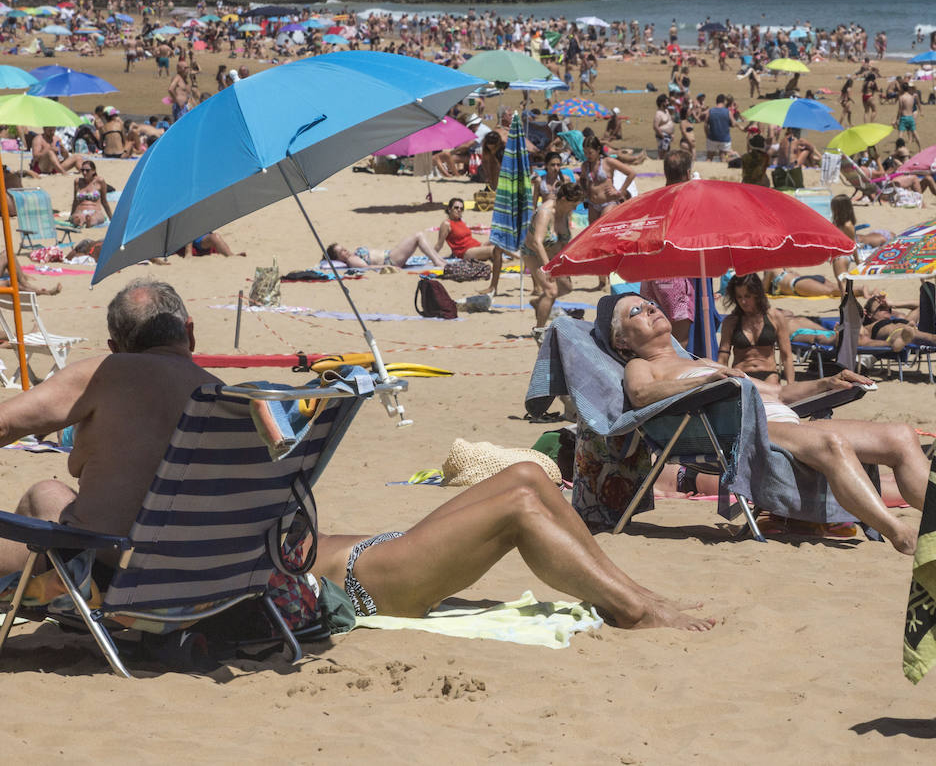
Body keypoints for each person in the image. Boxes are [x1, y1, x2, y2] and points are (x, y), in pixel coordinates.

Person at [0, 279, 713, 632]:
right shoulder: (226, 400)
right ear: (188, 330)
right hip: (289, 577)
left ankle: (641, 604)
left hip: (228, 581)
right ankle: (640, 606)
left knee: (529, 481)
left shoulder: (103, 375)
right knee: (526, 483)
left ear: (118, 343)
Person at [610, 293, 930, 554]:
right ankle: (899, 532)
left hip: (784, 421)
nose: (650, 308)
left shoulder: (701, 362)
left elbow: (778, 392)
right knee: (832, 444)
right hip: (747, 431)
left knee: (900, 436)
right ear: (622, 340)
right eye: (636, 311)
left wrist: (827, 383)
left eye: (649, 304)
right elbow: (640, 394)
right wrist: (704, 383)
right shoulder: (641, 365)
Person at [638, 150, 695, 344]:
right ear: (688, 173)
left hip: (650, 273)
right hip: (675, 275)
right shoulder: (687, 201)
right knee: (679, 340)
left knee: (652, 334)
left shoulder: (656, 199)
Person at [523, 182, 580, 339]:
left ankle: (538, 303)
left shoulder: (565, 212)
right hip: (534, 253)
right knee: (551, 291)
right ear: (562, 199)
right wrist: (548, 268)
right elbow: (537, 242)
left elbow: (564, 241)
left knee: (567, 287)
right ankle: (539, 331)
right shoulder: (545, 212)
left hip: (553, 255)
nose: (575, 209)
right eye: (573, 204)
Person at [716, 273, 794, 384]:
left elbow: (786, 356)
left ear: (757, 294)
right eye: (739, 297)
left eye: (747, 296)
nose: (743, 301)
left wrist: (791, 385)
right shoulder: (731, 322)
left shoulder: (775, 317)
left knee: (772, 387)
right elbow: (723, 357)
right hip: (741, 374)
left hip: (769, 374)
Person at [436, 197, 502, 297]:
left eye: (461, 209)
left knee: (497, 239)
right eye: (456, 208)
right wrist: (431, 256)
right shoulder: (446, 224)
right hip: (466, 252)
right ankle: (518, 257)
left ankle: (516, 257)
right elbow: (439, 244)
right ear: (449, 209)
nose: (459, 210)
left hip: (476, 246)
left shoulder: (461, 221)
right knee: (495, 249)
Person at [325, 230, 448, 270]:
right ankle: (438, 261)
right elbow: (367, 268)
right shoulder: (351, 260)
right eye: (341, 251)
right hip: (391, 260)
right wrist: (388, 268)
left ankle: (439, 260)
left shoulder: (352, 256)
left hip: (391, 255)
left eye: (343, 248)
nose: (345, 250)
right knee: (418, 236)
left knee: (418, 236)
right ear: (338, 258)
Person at [860, 291, 936, 352]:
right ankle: (900, 340)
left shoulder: (902, 320)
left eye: (887, 307)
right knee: (930, 337)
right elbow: (863, 340)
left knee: (909, 329)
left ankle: (902, 340)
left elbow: (920, 305)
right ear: (869, 314)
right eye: (881, 308)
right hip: (894, 334)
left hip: (908, 331)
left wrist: (893, 304)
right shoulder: (869, 327)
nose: (886, 309)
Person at [68, 160, 113, 227]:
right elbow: (75, 201)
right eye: (82, 170)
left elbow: (104, 201)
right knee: (77, 217)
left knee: (95, 218)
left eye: (87, 170)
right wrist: (71, 215)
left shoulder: (100, 181)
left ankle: (89, 221)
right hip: (80, 210)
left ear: (93, 171)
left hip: (95, 211)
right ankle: (79, 221)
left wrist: (111, 218)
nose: (84, 172)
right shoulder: (77, 181)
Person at [762, 268, 844, 298]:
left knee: (831, 291)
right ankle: (856, 290)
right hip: (805, 279)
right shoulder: (785, 268)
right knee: (838, 287)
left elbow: (763, 290)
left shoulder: (770, 270)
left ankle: (856, 291)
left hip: (796, 284)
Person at [704, 94, 735, 162]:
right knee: (724, 157)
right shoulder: (728, 112)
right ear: (724, 102)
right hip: (725, 139)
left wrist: (707, 134)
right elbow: (733, 124)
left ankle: (705, 171)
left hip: (712, 138)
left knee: (709, 157)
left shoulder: (710, 111)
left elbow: (705, 125)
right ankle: (722, 172)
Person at [653, 94, 675, 161]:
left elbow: (670, 122)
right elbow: (655, 126)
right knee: (662, 153)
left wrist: (671, 134)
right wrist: (662, 135)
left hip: (668, 135)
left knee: (667, 152)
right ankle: (658, 164)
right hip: (662, 135)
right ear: (662, 103)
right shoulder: (658, 114)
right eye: (666, 102)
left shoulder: (666, 111)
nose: (668, 103)